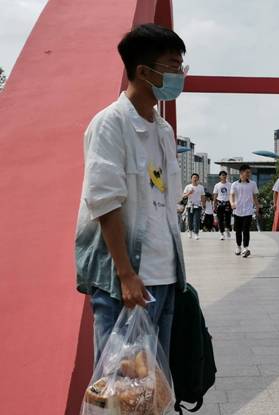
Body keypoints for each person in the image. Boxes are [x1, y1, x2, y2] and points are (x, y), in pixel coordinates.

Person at [75, 24, 187, 364]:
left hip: (165, 276)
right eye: (172, 66)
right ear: (143, 71)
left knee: (154, 385)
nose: (180, 75)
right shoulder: (110, 123)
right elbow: (105, 203)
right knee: (120, 384)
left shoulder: (163, 130)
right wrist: (125, 275)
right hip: (126, 282)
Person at [230, 164, 260, 258]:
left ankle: (246, 248)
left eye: (249, 172)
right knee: (238, 230)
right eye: (247, 172)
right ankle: (238, 246)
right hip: (237, 211)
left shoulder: (253, 184)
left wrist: (257, 206)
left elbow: (254, 196)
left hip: (248, 211)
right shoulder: (234, 184)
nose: (249, 174)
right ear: (241, 173)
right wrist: (232, 203)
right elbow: (231, 195)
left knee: (246, 230)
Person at [183, 173, 205, 240]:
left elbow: (203, 196)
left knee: (196, 220)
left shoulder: (201, 187)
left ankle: (196, 233)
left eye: (196, 177)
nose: (195, 179)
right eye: (193, 177)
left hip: (198, 206)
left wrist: (203, 204)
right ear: (191, 179)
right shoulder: (188, 186)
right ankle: (190, 231)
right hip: (190, 205)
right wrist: (189, 193)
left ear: (198, 179)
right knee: (190, 220)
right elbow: (183, 196)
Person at [213, 170, 232, 240]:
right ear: (220, 176)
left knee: (228, 218)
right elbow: (215, 195)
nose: (224, 176)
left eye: (225, 175)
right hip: (219, 203)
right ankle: (222, 233)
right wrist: (214, 204)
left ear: (226, 176)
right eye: (222, 175)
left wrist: (233, 203)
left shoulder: (230, 185)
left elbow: (232, 194)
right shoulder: (217, 185)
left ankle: (227, 229)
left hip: (228, 203)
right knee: (220, 219)